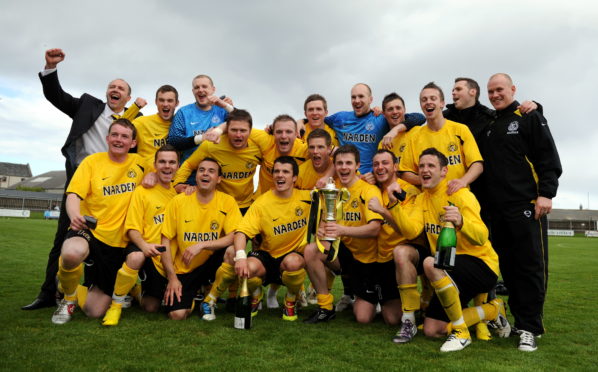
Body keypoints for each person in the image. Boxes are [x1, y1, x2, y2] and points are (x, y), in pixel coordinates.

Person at [24, 48, 142, 311]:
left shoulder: (136, 123)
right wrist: (50, 68)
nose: (115, 89)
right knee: (64, 239)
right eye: (111, 86)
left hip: (115, 192)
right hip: (82, 183)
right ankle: (48, 293)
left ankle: (121, 287)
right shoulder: (88, 106)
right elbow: (57, 96)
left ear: (128, 97)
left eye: (121, 87)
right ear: (106, 92)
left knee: (117, 241)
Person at [387, 148, 510, 352]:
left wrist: (461, 221)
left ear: (444, 171)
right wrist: (394, 206)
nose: (425, 170)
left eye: (431, 166)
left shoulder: (461, 195)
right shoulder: (422, 198)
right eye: (422, 166)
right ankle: (492, 310)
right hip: (449, 268)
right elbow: (411, 232)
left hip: (481, 265)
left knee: (430, 262)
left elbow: (481, 236)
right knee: (432, 329)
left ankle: (461, 333)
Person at [482, 73, 562, 352]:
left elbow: (547, 156)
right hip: (497, 211)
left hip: (527, 206)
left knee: (530, 267)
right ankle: (520, 321)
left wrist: (546, 193)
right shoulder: (490, 123)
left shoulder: (529, 116)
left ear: (513, 89)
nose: (494, 95)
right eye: (490, 91)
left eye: (499, 89)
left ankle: (530, 328)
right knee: (509, 269)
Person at [51, 119, 148, 324]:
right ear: (107, 138)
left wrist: (154, 177)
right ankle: (68, 299)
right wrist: (75, 214)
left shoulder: (141, 163)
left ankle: (72, 285)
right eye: (115, 135)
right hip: (91, 231)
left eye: (124, 136)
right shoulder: (92, 162)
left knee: (94, 311)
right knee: (71, 252)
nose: (118, 140)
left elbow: (166, 175)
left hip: (118, 243)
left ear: (132, 143)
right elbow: (73, 194)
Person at [303, 145, 383, 323]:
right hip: (343, 253)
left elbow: (375, 229)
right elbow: (325, 221)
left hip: (367, 260)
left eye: (348, 163)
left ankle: (366, 294)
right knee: (311, 250)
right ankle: (325, 306)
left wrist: (342, 230)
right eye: (339, 163)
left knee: (363, 318)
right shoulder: (332, 188)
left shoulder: (369, 190)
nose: (344, 167)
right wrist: (322, 229)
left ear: (358, 165)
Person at [101, 145, 179, 326]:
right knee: (135, 257)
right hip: (147, 249)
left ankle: (136, 290)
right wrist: (145, 247)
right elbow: (132, 229)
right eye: (162, 162)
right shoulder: (142, 191)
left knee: (151, 307)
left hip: (168, 256)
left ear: (178, 166)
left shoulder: (178, 194)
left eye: (172, 162)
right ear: (155, 165)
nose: (167, 166)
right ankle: (116, 305)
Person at [160, 157, 242, 320]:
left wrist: (202, 245)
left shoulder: (227, 201)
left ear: (219, 179)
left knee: (233, 251)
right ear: (196, 175)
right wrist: (172, 278)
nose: (206, 174)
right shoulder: (178, 202)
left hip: (211, 262)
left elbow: (235, 234)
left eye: (211, 171)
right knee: (177, 315)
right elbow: (165, 242)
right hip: (185, 268)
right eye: (201, 170)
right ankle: (196, 295)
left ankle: (209, 299)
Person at [233, 156, 312, 321]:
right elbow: (241, 232)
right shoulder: (262, 203)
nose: (280, 175)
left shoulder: (308, 198)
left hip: (291, 256)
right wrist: (240, 256)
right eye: (276, 171)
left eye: (285, 172)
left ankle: (291, 299)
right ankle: (256, 294)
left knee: (294, 263)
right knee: (247, 268)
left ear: (295, 178)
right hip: (267, 256)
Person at [366, 149, 422, 326]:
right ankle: (417, 305)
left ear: (395, 167)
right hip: (383, 258)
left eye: (385, 163)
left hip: (408, 252)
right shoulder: (373, 189)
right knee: (391, 319)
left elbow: (407, 230)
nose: (380, 167)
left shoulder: (409, 191)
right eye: (376, 164)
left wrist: (383, 211)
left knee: (400, 252)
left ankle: (410, 316)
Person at [399, 82, 483, 195]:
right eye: (424, 100)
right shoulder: (414, 136)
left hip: (457, 198)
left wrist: (463, 181)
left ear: (442, 103)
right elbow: (405, 172)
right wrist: (428, 179)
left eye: (433, 98)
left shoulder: (460, 130)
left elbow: (477, 165)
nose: (428, 102)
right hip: (430, 202)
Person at [173, 109, 262, 212]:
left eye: (243, 130)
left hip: (246, 205)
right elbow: (189, 164)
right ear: (227, 129)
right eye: (234, 130)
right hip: (218, 204)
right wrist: (178, 183)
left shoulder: (257, 148)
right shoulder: (212, 145)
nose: (238, 135)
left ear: (250, 131)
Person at [324, 83, 425, 174]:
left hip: (371, 177)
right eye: (353, 97)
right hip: (346, 174)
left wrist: (395, 130)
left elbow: (419, 117)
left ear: (370, 99)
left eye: (361, 96)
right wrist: (330, 148)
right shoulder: (340, 118)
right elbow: (317, 120)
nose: (357, 101)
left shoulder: (380, 118)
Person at [167, 74, 234, 184]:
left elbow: (243, 123)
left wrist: (227, 106)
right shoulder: (183, 112)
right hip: (189, 178)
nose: (200, 90)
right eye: (197, 87)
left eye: (204, 86)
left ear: (213, 89)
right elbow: (174, 141)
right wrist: (202, 137)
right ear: (193, 91)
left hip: (219, 179)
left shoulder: (222, 110)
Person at [133, 86, 179, 162]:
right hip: (147, 172)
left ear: (176, 103)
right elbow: (116, 128)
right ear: (156, 102)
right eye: (161, 100)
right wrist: (135, 108)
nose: (165, 104)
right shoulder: (142, 122)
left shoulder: (181, 124)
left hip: (174, 172)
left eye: (170, 101)